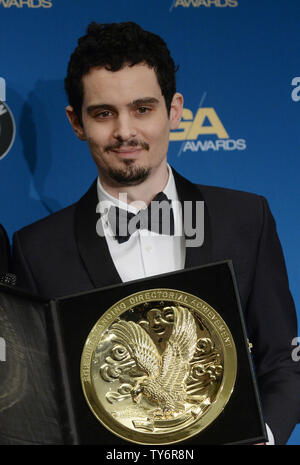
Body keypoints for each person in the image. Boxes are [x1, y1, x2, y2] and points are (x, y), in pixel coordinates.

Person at [11, 22, 300, 445]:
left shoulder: (245, 218)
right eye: (104, 113)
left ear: (176, 109)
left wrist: (265, 439)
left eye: (142, 108)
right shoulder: (37, 249)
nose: (125, 131)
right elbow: (36, 402)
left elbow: (285, 361)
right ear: (76, 122)